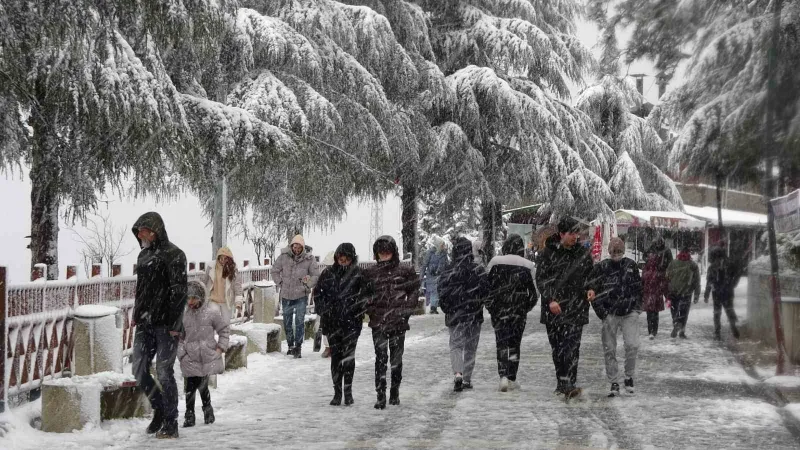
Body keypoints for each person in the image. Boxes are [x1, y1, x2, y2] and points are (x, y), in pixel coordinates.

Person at [131, 212, 187, 439]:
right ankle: (159, 409)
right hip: (145, 322)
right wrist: (136, 314)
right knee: (138, 369)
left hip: (166, 324)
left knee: (164, 372)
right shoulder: (143, 256)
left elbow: (179, 290)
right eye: (137, 232)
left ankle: (171, 422)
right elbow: (141, 290)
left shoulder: (175, 254)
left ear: (154, 230)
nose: (139, 235)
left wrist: (175, 323)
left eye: (142, 231)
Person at [536, 217, 594, 398]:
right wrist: (550, 299)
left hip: (576, 307)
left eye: (577, 233)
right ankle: (562, 382)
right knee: (558, 348)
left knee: (572, 347)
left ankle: (570, 382)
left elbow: (591, 275)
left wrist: (592, 288)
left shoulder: (582, 254)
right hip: (555, 309)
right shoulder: (547, 253)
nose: (575, 237)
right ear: (561, 234)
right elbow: (542, 280)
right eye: (571, 233)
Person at [364, 235, 419, 409]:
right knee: (380, 359)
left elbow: (414, 291)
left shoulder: (405, 271)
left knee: (396, 360)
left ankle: (394, 390)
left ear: (393, 252)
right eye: (381, 252)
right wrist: (370, 309)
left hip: (398, 322)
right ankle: (380, 394)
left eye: (387, 252)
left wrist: (406, 311)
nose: (384, 255)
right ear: (376, 254)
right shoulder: (370, 273)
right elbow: (363, 295)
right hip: (378, 322)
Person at [586, 238, 643, 397]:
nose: (616, 254)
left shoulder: (631, 265)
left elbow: (639, 288)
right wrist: (602, 312)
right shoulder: (602, 267)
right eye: (613, 251)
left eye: (619, 251)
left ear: (623, 251)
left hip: (629, 312)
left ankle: (629, 376)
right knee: (609, 348)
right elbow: (592, 288)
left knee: (632, 345)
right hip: (610, 313)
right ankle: (614, 382)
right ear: (609, 252)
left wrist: (637, 307)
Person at [313, 243, 367, 406]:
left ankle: (348, 392)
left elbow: (366, 296)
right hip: (332, 322)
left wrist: (358, 309)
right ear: (336, 258)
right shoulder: (327, 274)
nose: (343, 261)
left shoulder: (359, 275)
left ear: (352, 258)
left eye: (347, 258)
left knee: (349, 358)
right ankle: (337, 392)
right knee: (336, 357)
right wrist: (324, 310)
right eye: (340, 258)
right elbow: (318, 295)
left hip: (352, 323)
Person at [485, 234, 538, 392]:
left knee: (501, 342)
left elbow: (487, 288)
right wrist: (525, 307)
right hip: (518, 312)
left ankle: (502, 375)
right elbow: (534, 293)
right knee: (515, 343)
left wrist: (492, 307)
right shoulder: (528, 265)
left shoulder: (495, 263)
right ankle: (512, 376)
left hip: (499, 311)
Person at [439, 237, 490, 392]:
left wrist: (447, 308)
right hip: (474, 314)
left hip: (455, 315)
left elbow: (442, 292)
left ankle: (458, 373)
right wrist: (479, 304)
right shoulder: (478, 270)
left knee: (455, 345)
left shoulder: (448, 270)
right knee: (470, 348)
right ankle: (467, 379)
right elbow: (486, 292)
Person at [178, 280, 230, 427]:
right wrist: (182, 355)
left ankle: (207, 410)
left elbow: (223, 330)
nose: (190, 301)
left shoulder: (211, 313)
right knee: (189, 387)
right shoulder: (184, 316)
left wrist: (220, 348)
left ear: (201, 297)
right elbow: (179, 338)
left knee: (202, 385)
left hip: (206, 357)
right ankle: (189, 415)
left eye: (194, 298)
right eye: (188, 298)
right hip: (189, 357)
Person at [271, 234, 320, 358]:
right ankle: (290, 345)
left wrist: (307, 286)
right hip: (286, 295)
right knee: (287, 322)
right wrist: (280, 282)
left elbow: (315, 275)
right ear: (291, 246)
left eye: (299, 247)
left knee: (299, 322)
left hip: (301, 296)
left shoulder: (309, 259)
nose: (296, 249)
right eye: (295, 247)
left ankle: (298, 346)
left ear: (303, 247)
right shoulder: (283, 257)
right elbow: (275, 270)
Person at [704, 246, 743, 340]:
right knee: (729, 309)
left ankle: (717, 332)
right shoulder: (729, 264)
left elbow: (709, 281)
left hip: (716, 292)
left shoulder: (712, 267)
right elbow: (737, 274)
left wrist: (707, 294)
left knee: (717, 312)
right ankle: (733, 327)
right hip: (727, 291)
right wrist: (733, 284)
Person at [665, 246, 701, 339]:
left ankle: (676, 323)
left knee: (674, 310)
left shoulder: (673, 263)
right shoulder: (693, 265)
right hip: (687, 292)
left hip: (674, 291)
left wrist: (667, 290)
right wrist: (696, 294)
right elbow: (697, 281)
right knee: (684, 312)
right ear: (689, 253)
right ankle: (682, 331)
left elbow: (667, 277)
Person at [204, 246, 243, 323]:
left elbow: (237, 286)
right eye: (221, 258)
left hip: (227, 301)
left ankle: (225, 335)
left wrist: (238, 302)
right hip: (213, 299)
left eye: (225, 259)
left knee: (225, 324)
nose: (222, 261)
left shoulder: (233, 269)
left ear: (229, 259)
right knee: (213, 320)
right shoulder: (211, 267)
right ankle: (212, 334)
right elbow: (204, 282)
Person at [642, 254, 668, 340]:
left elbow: (641, 283)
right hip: (657, 296)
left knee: (649, 314)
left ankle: (650, 331)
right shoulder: (659, 271)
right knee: (655, 314)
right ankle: (654, 331)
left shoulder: (645, 270)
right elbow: (663, 284)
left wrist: (640, 294)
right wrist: (666, 295)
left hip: (648, 295)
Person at [420, 235, 449, 314]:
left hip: (441, 275)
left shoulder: (444, 254)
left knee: (438, 291)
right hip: (432, 276)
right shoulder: (430, 252)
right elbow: (424, 264)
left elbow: (446, 264)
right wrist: (421, 277)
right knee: (434, 291)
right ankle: (433, 307)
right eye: (442, 245)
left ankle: (436, 306)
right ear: (438, 245)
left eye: (443, 245)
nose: (443, 246)